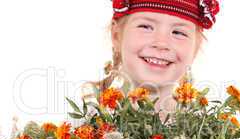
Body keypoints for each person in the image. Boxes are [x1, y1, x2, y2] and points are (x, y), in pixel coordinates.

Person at [82, 0, 220, 121]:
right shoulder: (84, 133)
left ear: (196, 47)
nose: (161, 43)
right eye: (146, 27)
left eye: (178, 32)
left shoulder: (206, 134)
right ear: (117, 35)